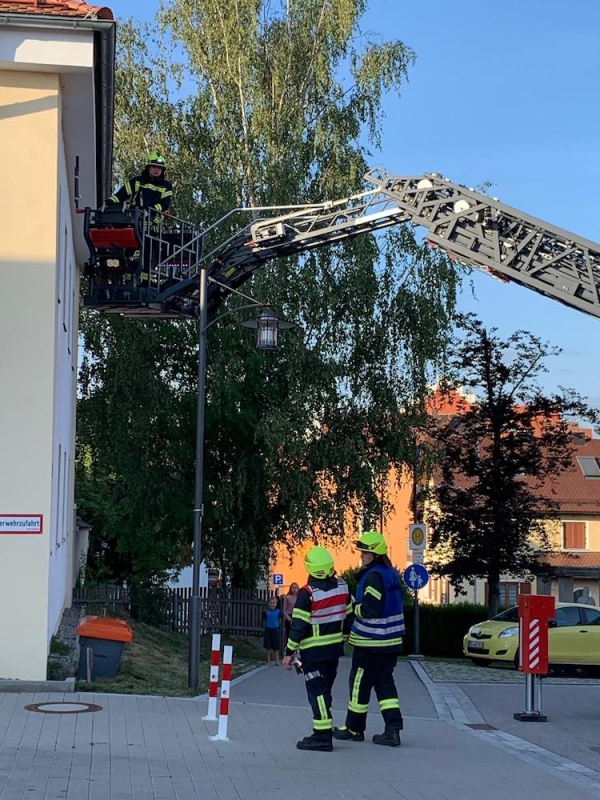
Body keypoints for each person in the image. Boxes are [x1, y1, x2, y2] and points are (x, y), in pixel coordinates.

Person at [333, 530, 405, 747]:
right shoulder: (390, 573)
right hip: (391, 642)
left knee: (358, 684)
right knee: (385, 685)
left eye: (365, 552)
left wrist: (355, 607)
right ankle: (393, 730)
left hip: (370, 642)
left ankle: (354, 728)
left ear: (375, 554)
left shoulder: (373, 576)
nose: (361, 555)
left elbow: (371, 608)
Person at [282, 547, 351, 752]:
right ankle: (325, 729)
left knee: (317, 692)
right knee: (325, 691)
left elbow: (299, 626)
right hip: (334, 651)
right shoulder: (343, 587)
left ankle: (321, 736)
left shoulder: (308, 593)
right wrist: (344, 640)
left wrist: (288, 653)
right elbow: (348, 617)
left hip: (313, 652)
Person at [106, 153, 173, 216]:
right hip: (134, 219)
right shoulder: (137, 182)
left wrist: (147, 211)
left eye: (159, 168)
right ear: (148, 167)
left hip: (153, 222)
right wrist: (107, 203)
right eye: (154, 166)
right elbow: (120, 196)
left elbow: (164, 204)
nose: (157, 170)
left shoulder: (166, 186)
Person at [263, 596, 282, 666]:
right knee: (268, 646)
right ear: (268, 604)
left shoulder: (278, 612)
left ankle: (277, 661)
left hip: (275, 630)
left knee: (276, 646)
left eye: (274, 603)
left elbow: (279, 619)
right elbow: (265, 619)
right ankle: (268, 661)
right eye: (271, 603)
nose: (272, 604)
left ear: (276, 604)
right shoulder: (266, 612)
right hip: (268, 629)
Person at [282, 582, 299, 651]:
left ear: (298, 589)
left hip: (298, 616)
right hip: (289, 616)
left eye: (296, 588)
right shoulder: (288, 597)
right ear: (290, 589)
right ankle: (287, 650)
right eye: (293, 588)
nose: (294, 589)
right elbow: (284, 610)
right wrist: (289, 619)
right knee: (288, 635)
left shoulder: (300, 598)